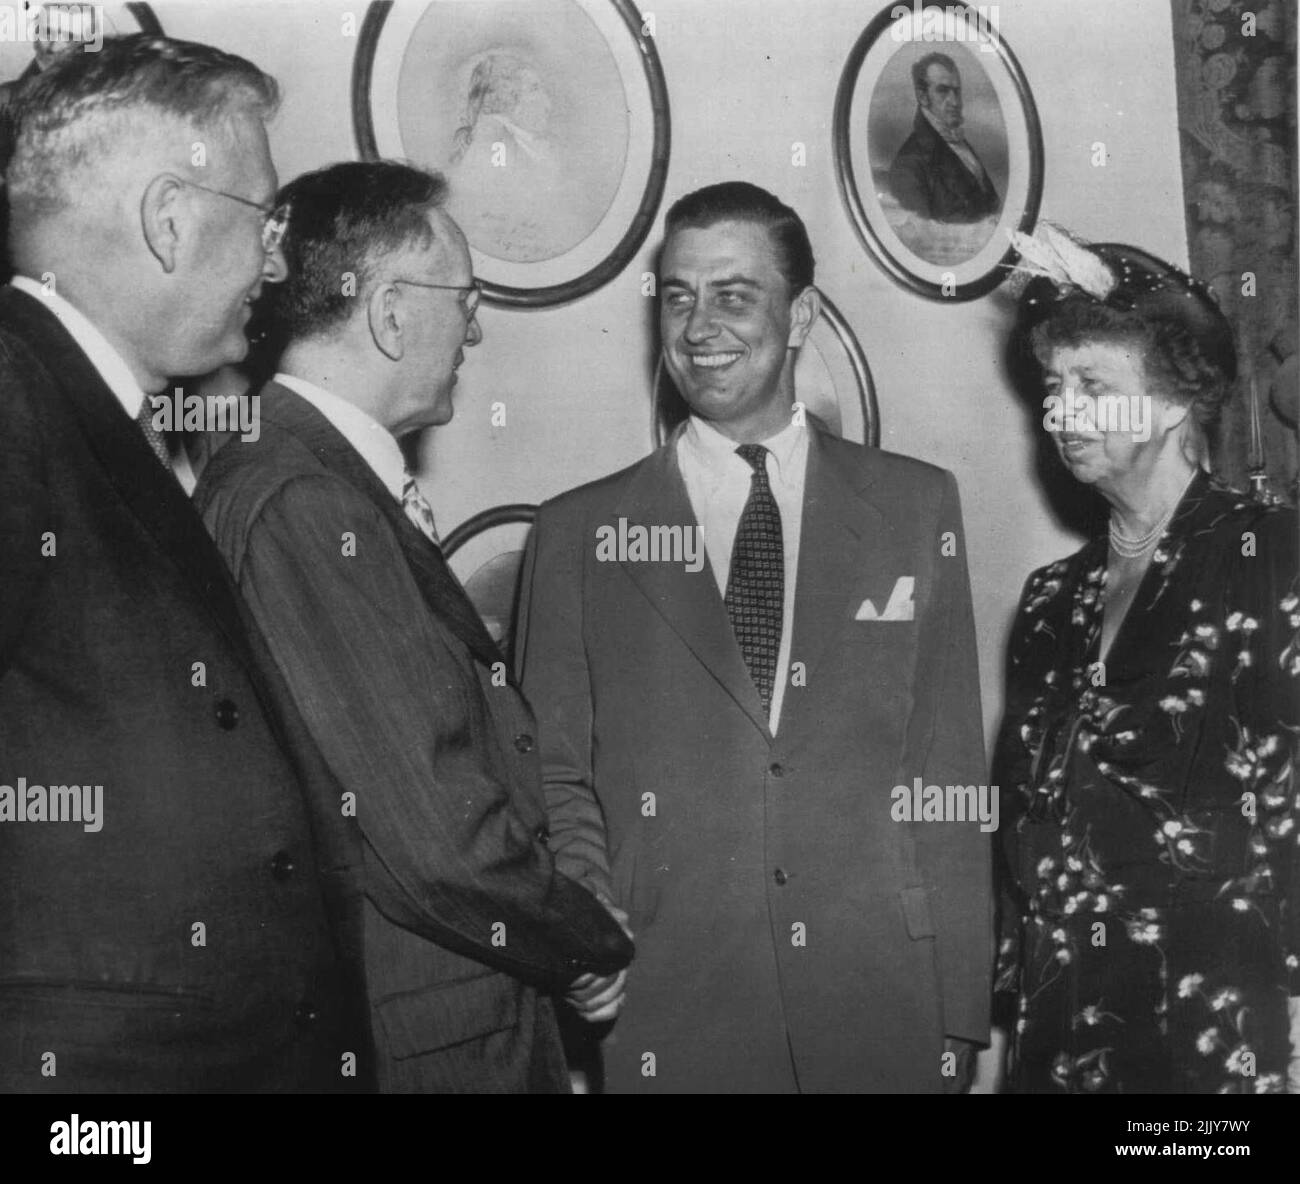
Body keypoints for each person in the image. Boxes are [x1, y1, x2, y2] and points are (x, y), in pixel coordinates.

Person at [517, 181, 992, 1092]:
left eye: (734, 295)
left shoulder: (915, 504)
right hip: (670, 1006)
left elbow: (948, 774)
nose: (701, 327)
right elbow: (552, 773)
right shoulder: (579, 531)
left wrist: (959, 1010)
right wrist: (590, 932)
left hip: (884, 1004)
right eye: (680, 297)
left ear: (801, 312)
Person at [194, 160, 635, 1093]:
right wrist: (585, 939)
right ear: (391, 313)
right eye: (464, 298)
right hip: (429, 1046)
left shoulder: (297, 475)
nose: (473, 327)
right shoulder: (307, 502)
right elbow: (434, 831)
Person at [0, 35, 370, 1090]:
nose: (276, 263)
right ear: (168, 219)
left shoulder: (90, 412)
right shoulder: (14, 398)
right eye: (263, 219)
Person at [992, 225, 1300, 1093]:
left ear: (1172, 403)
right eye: (1054, 386)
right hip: (1069, 1023)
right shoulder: (1052, 598)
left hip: (1223, 1030)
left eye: (1093, 385)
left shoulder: (1268, 554)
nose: (1060, 411)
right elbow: (1030, 828)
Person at [888, 52, 999, 223]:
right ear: (923, 96)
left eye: (956, 91)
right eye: (943, 91)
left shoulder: (959, 143)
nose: (955, 102)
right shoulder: (908, 166)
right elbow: (924, 238)